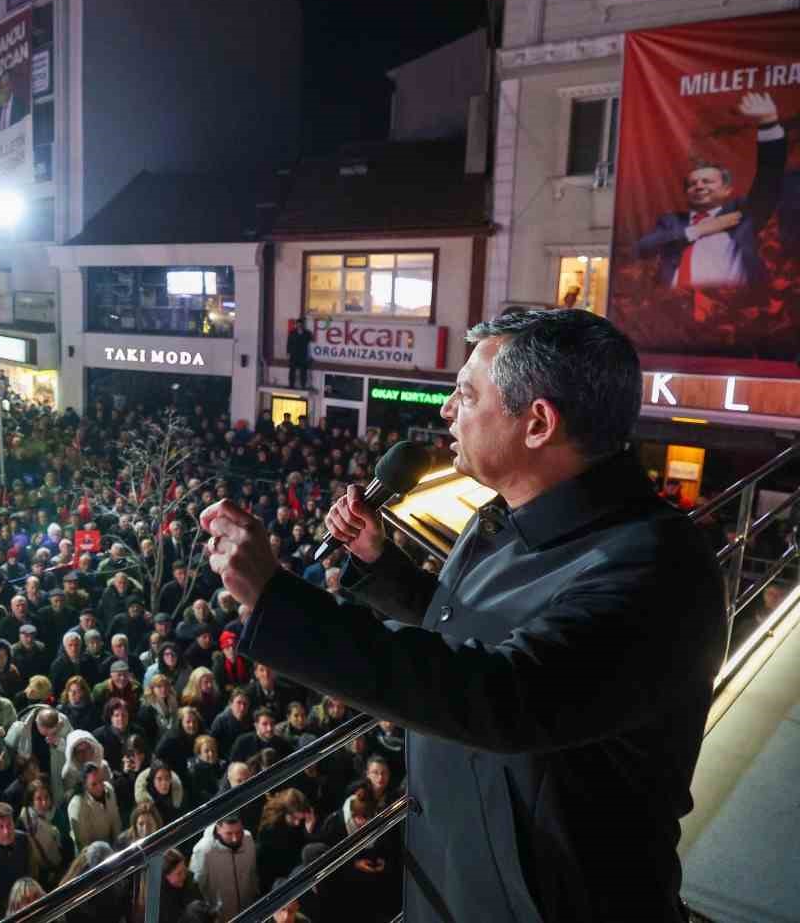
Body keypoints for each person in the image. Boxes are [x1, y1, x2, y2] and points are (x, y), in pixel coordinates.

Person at [201, 307, 725, 921]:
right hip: (459, 881)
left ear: (538, 423)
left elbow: (509, 691)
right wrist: (382, 564)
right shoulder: (503, 516)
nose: (447, 410)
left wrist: (278, 599)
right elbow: (475, 632)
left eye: (466, 394)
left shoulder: (654, 571)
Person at [634, 91, 788, 289]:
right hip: (675, 310)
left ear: (727, 190)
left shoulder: (742, 216)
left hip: (731, 311)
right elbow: (643, 248)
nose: (699, 185)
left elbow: (770, 178)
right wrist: (698, 230)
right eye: (693, 183)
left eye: (707, 181)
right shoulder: (671, 222)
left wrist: (769, 123)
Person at [188, 815, 259, 922]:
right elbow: (197, 887)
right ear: (218, 828)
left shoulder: (248, 839)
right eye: (229, 833)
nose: (235, 838)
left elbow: (252, 874)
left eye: (239, 832)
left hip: (247, 911)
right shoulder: (203, 850)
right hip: (219, 917)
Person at [287, 319, 314, 389]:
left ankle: (303, 385)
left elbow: (311, 342)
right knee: (292, 370)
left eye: (301, 324)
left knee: (303, 371)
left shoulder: (307, 333)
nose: (299, 326)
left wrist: (309, 356)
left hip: (303, 354)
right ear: (296, 325)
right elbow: (289, 343)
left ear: (303, 325)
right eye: (298, 324)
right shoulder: (292, 332)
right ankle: (291, 385)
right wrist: (288, 352)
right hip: (294, 354)